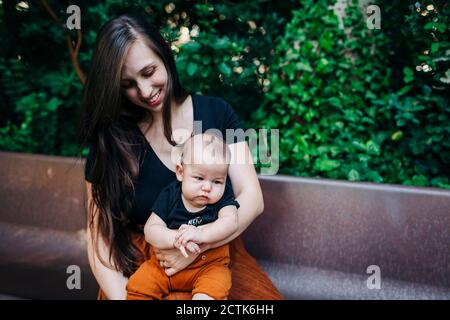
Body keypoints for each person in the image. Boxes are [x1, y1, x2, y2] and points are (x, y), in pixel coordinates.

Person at [78, 13, 283, 300]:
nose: (145, 91)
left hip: (216, 256)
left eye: (149, 72)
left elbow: (252, 197)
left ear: (165, 55)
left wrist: (195, 248)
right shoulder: (111, 138)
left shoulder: (218, 113)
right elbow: (99, 238)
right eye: (128, 84)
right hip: (146, 265)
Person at [127, 133, 239, 300]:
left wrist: (201, 234)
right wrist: (174, 238)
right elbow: (151, 229)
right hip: (165, 266)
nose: (207, 187)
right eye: (199, 178)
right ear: (180, 172)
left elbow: (231, 221)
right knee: (139, 285)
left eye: (217, 181)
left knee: (215, 287)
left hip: (208, 266)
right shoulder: (170, 194)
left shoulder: (223, 197)